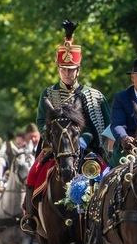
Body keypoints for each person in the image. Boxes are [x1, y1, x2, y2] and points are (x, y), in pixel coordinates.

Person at [34, 20, 110, 151]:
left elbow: (107, 125)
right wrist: (52, 135)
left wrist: (85, 140)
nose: (67, 73)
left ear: (78, 70)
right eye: (63, 69)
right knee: (35, 172)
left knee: (106, 171)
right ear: (58, 70)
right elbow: (41, 121)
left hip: (89, 148)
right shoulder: (48, 93)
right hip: (56, 147)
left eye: (71, 69)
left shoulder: (95, 96)